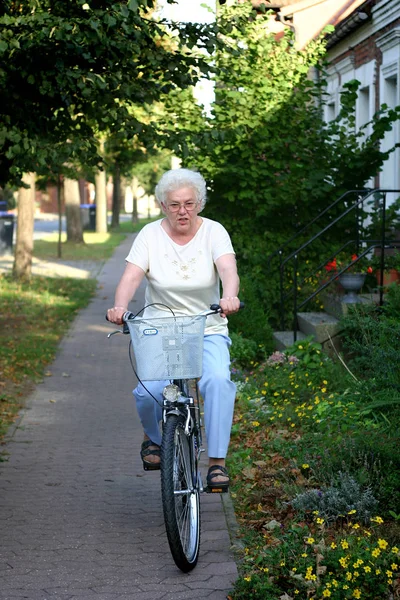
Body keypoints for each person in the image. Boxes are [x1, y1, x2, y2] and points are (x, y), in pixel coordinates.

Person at [107, 168, 240, 492]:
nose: (183, 211)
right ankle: (154, 439)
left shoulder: (214, 232)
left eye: (189, 204)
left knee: (218, 381)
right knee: (148, 391)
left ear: (199, 204)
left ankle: (216, 463)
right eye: (175, 204)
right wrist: (119, 307)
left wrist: (229, 296)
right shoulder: (150, 235)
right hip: (160, 327)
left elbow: (228, 270)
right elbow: (131, 277)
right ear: (163, 206)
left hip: (206, 325)